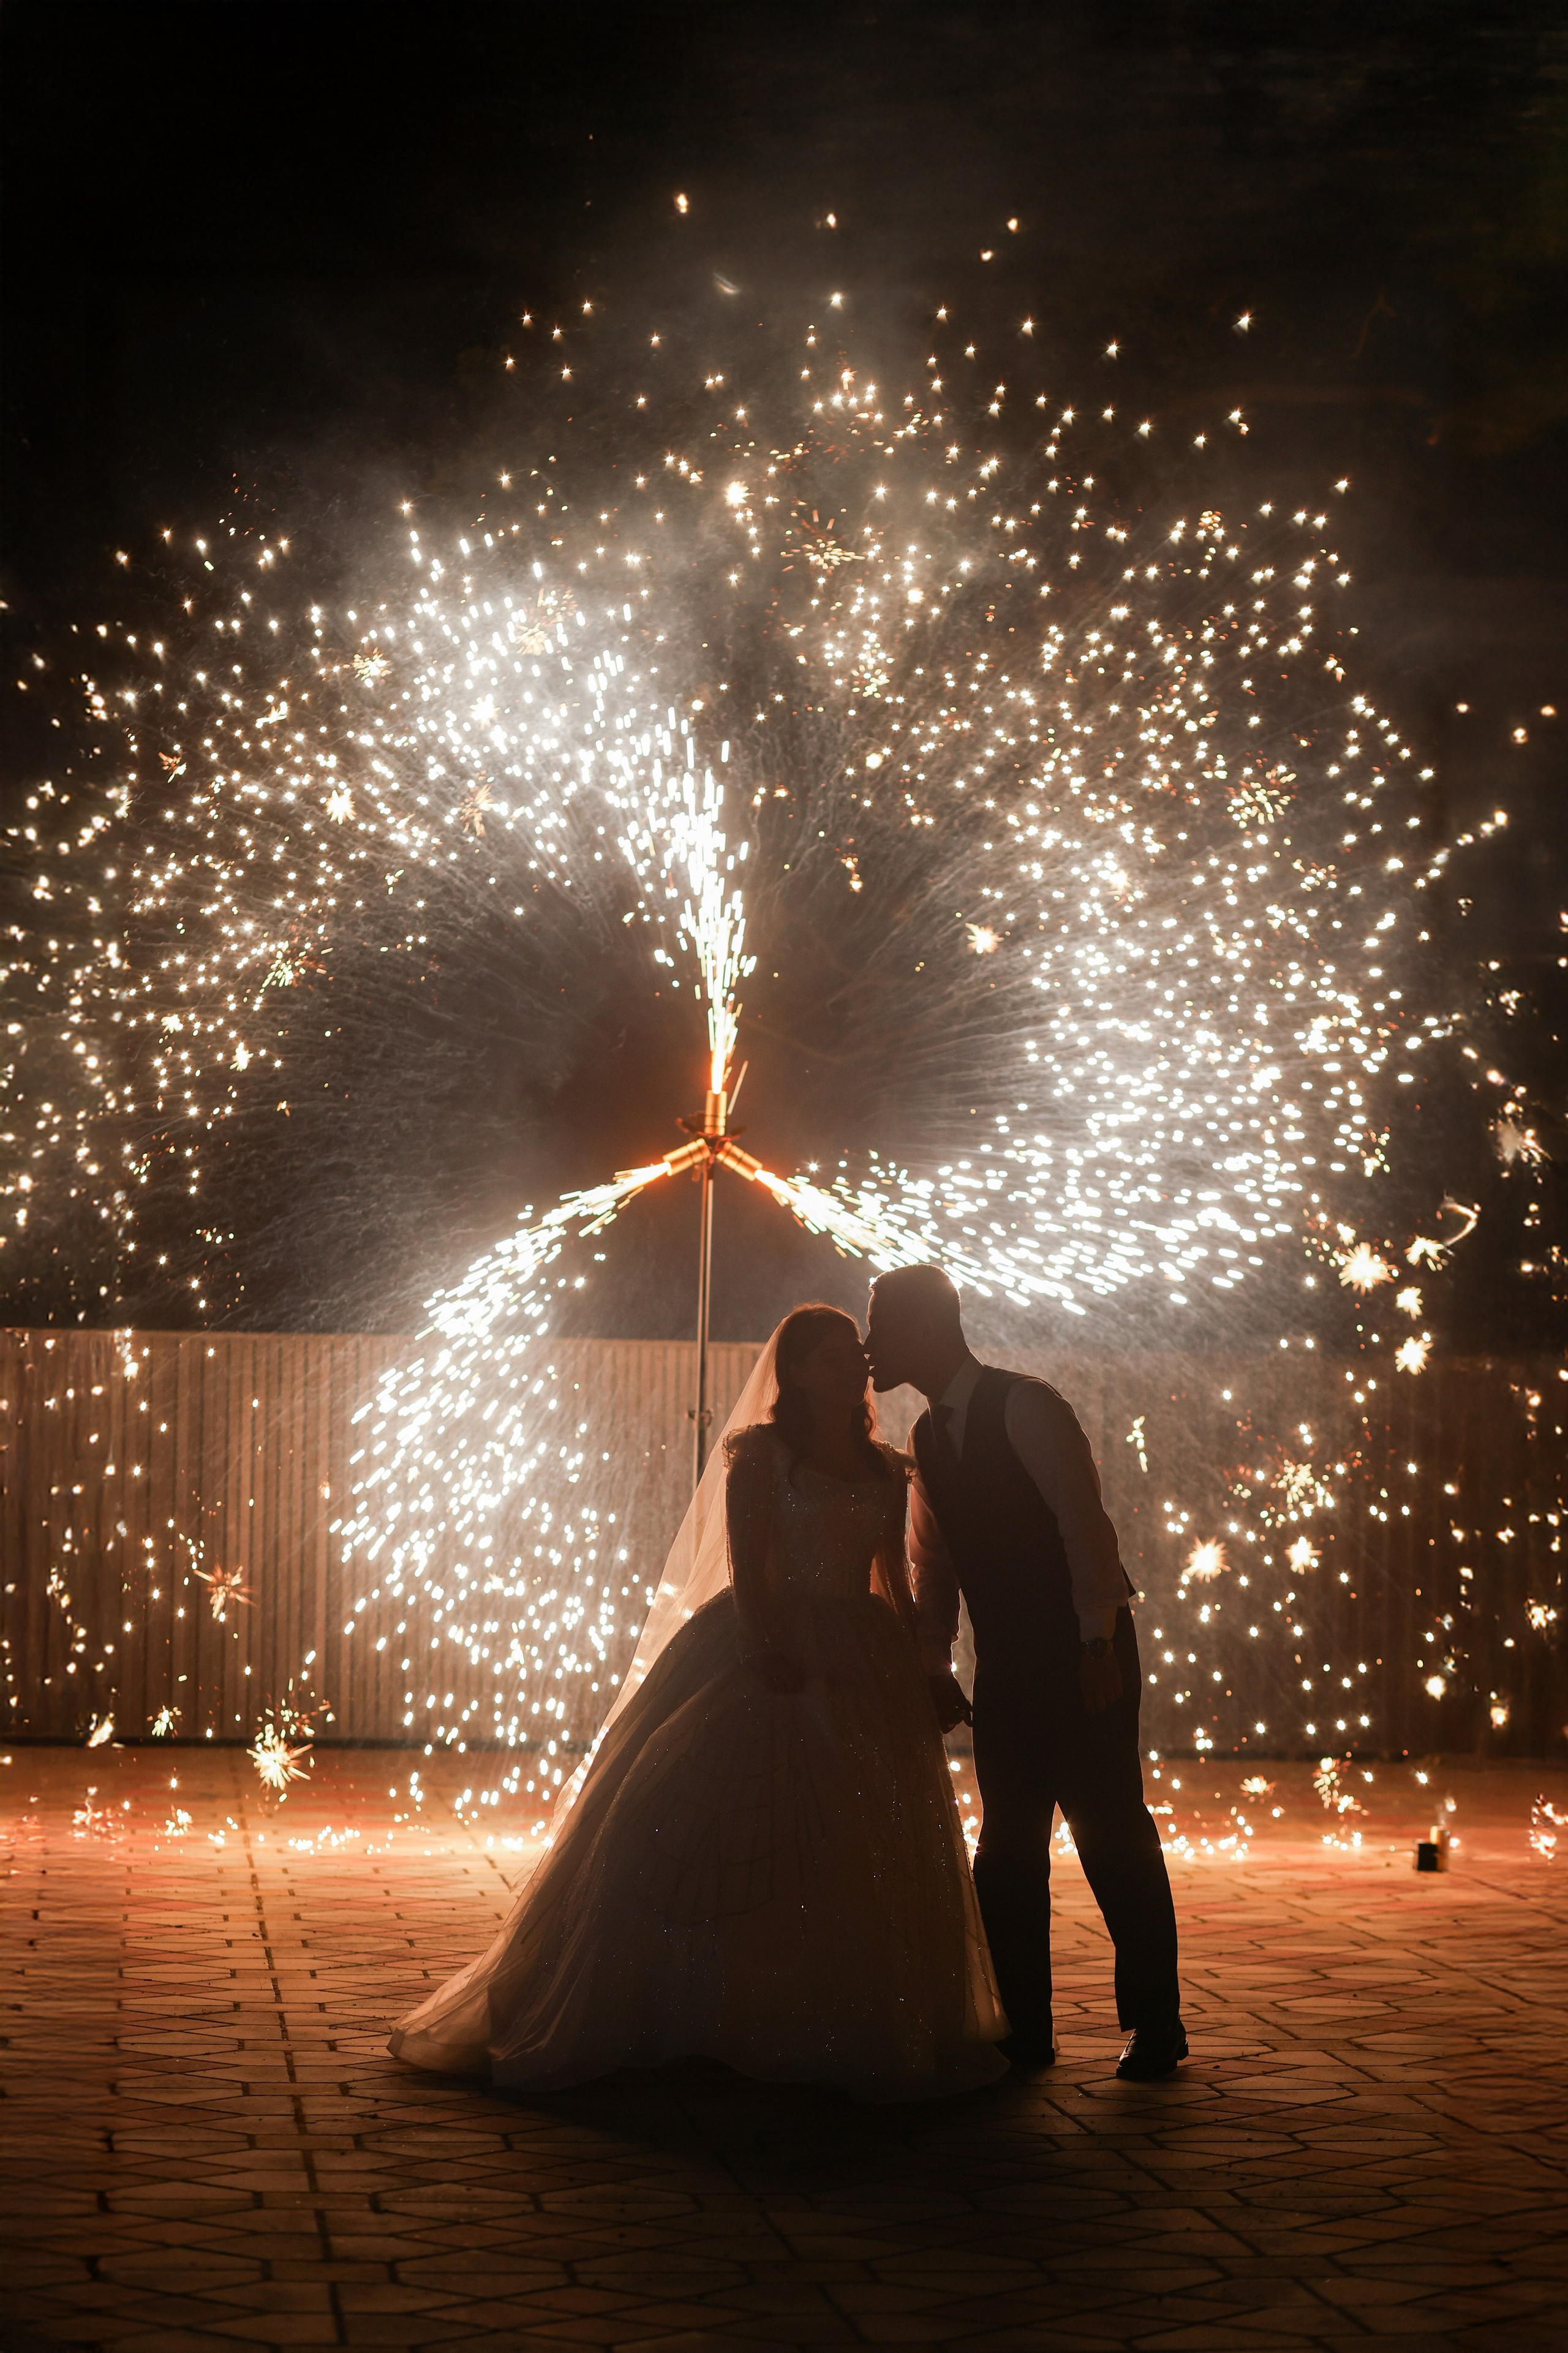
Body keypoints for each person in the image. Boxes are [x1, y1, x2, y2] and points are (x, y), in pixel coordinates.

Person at [389, 1304, 1008, 2101]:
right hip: (768, 1641)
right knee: (711, 1822)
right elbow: (750, 1566)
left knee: (867, 1832)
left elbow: (890, 1570)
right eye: (827, 1357)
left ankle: (841, 2012)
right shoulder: (761, 1455)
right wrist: (769, 1647)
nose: (850, 1366)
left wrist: (922, 1665)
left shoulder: (889, 1467)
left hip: (863, 1653)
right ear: (793, 1373)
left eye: (853, 1353)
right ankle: (698, 2007)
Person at [865, 1263, 1186, 2080]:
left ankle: (1156, 2023)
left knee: (1111, 1830)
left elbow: (1086, 1529)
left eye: (884, 1327)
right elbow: (931, 1560)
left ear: (930, 1330)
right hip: (1007, 1656)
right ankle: (1025, 2031)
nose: (872, 1346)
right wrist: (936, 1659)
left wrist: (1096, 1645)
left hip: (1085, 1648)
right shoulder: (928, 1438)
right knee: (1007, 1848)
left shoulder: (1030, 1407)